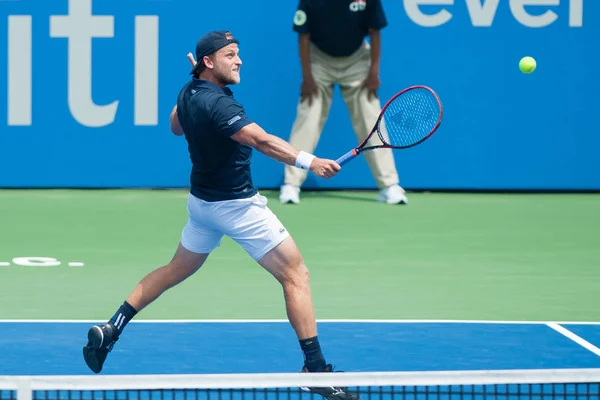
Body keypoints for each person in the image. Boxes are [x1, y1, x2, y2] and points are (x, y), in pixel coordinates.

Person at [82, 30, 359, 400]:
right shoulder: (221, 106)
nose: (239, 60)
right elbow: (260, 141)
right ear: (210, 62)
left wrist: (196, 81)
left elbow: (175, 126)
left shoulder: (189, 92)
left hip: (202, 205)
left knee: (175, 269)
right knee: (296, 274)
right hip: (237, 207)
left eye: (238, 54)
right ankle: (316, 370)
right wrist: (311, 162)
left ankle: (113, 326)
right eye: (230, 55)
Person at [279, 0, 407, 206]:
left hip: (357, 59)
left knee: (371, 120)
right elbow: (303, 37)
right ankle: (291, 184)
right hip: (319, 59)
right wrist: (307, 77)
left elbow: (375, 32)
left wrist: (374, 71)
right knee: (308, 118)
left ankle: (389, 186)